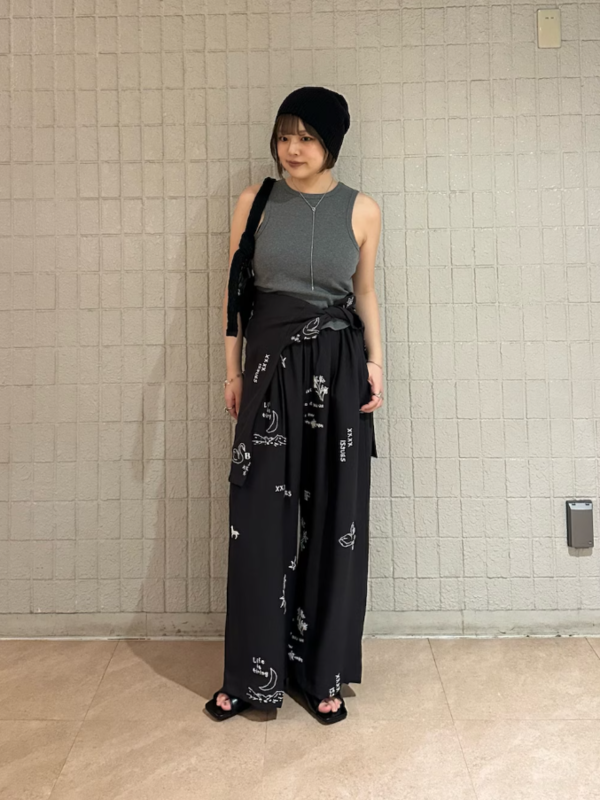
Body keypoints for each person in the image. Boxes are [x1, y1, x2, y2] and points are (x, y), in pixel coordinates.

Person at [205, 86, 383, 725]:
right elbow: (235, 295)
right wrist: (232, 371)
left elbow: (364, 293)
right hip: (269, 367)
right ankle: (251, 676)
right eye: (284, 136)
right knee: (258, 520)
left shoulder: (362, 209)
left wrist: (377, 364)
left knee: (336, 516)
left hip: (338, 368)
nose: (292, 149)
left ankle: (321, 672)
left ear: (331, 143)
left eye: (306, 137)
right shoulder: (254, 202)